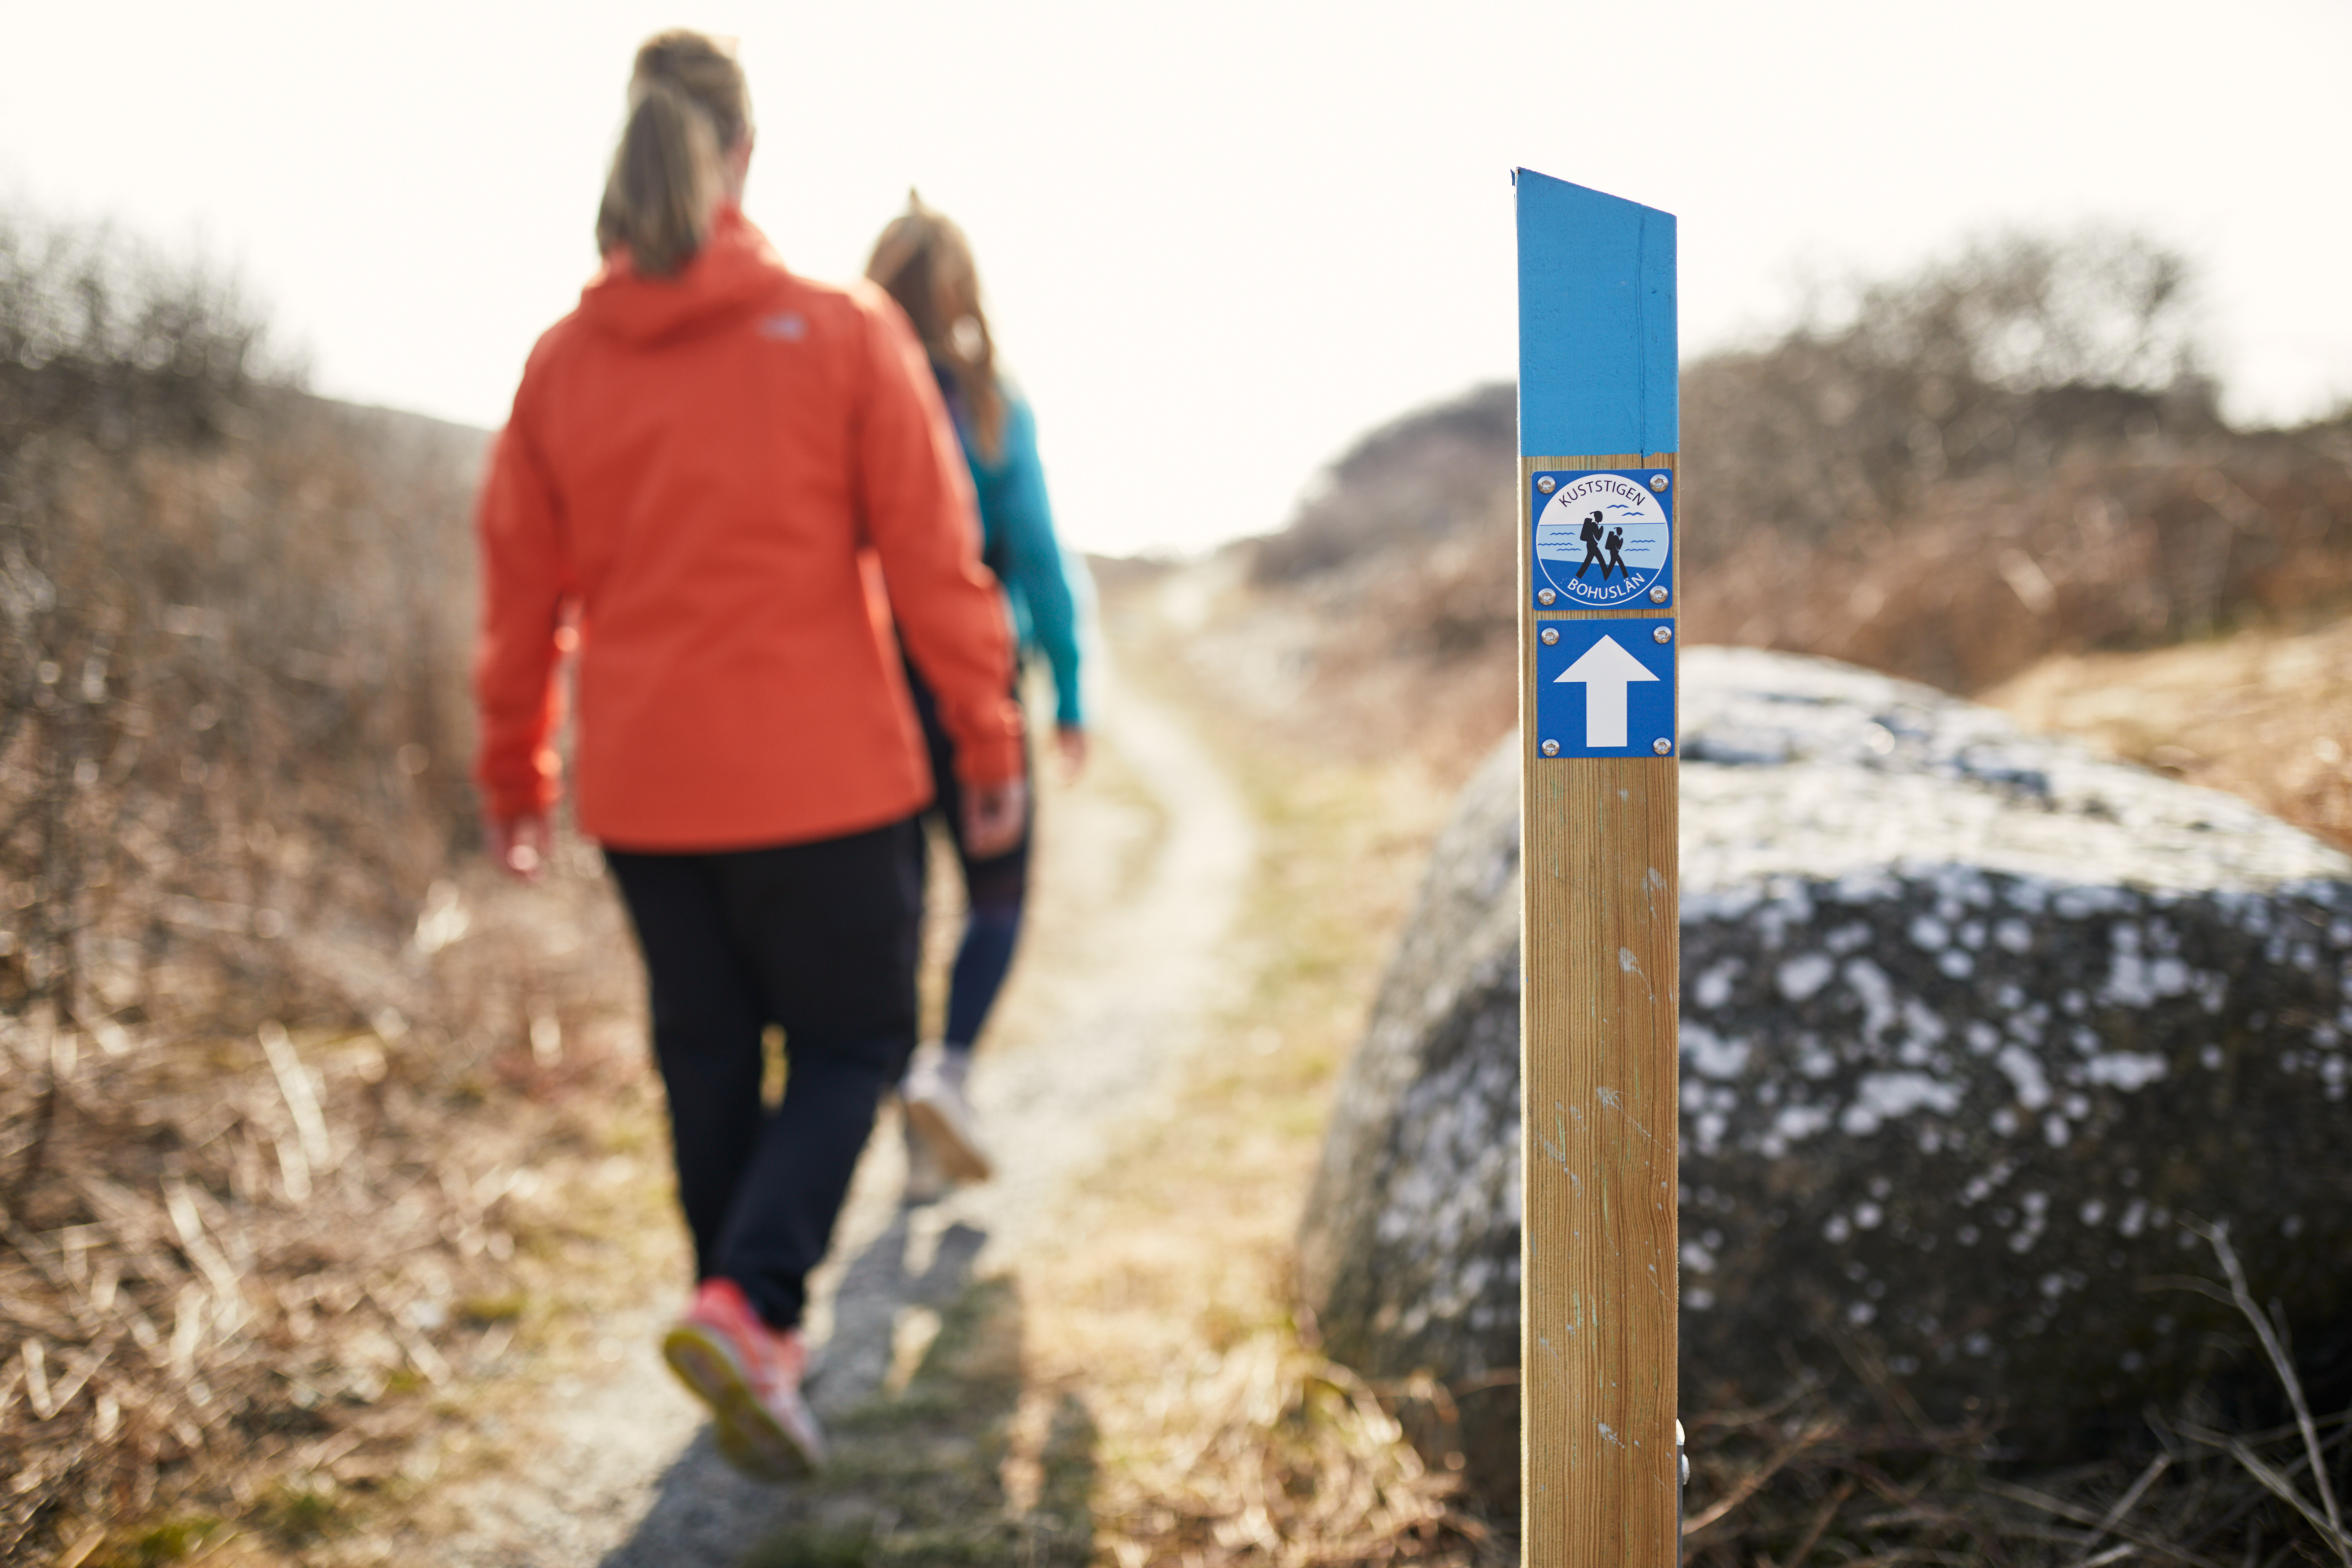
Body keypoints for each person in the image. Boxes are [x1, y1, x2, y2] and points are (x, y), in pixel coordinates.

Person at [470, 31, 1025, 1481]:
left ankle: (743, 1330)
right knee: (853, 1045)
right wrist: (987, 731)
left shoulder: (559, 365)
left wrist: (516, 777)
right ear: (747, 155)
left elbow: (518, 597)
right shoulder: (840, 332)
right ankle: (755, 1307)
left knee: (707, 1056)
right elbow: (937, 562)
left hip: (648, 795)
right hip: (830, 785)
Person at [863, 198, 1089, 1201]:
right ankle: (944, 1070)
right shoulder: (993, 406)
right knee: (995, 894)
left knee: (893, 907)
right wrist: (1070, 691)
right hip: (973, 682)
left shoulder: (844, 398)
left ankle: (913, 1108)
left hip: (863, 685)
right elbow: (1036, 561)